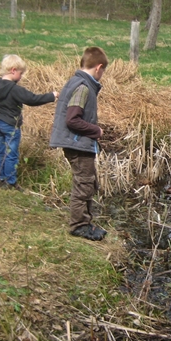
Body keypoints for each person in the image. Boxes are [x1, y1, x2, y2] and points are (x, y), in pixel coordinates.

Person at [49, 47, 108, 241]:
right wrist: (96, 131)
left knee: (87, 182)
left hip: (78, 142)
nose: (102, 76)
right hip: (77, 143)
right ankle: (79, 225)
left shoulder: (78, 83)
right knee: (83, 184)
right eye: (103, 72)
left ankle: (86, 222)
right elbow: (72, 119)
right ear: (98, 68)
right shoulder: (83, 87)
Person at [0, 54, 58, 190]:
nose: (21, 77)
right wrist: (51, 96)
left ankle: (0, 178)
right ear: (13, 70)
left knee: (1, 151)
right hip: (10, 125)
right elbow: (32, 99)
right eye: (20, 73)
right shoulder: (15, 89)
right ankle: (11, 181)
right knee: (11, 154)